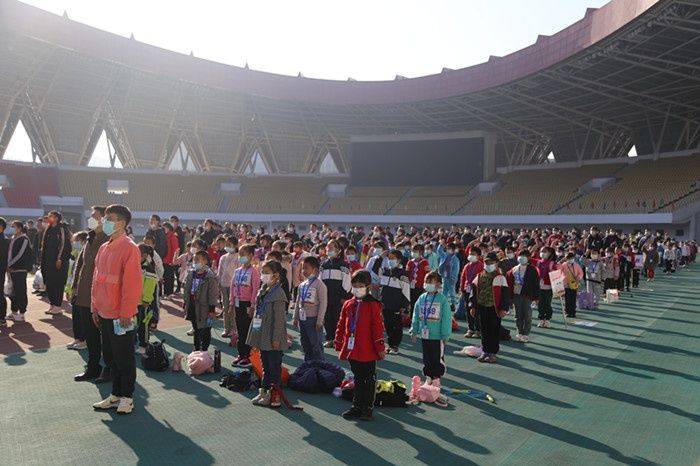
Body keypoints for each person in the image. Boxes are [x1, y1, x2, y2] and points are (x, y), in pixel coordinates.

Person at [91, 205, 143, 415]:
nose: (105, 222)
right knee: (110, 357)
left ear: (121, 223)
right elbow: (97, 279)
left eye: (109, 218)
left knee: (124, 358)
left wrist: (126, 312)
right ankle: (115, 394)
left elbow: (132, 285)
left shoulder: (130, 248)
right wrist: (95, 306)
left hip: (121, 315)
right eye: (105, 218)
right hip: (104, 312)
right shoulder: (104, 247)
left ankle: (127, 397)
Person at [334, 270, 386, 421]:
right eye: (355, 285)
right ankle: (356, 406)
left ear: (368, 287)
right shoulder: (348, 304)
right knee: (357, 378)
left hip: (368, 349)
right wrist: (338, 341)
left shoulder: (373, 305)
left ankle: (367, 407)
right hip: (353, 348)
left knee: (368, 379)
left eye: (361, 285)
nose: (357, 288)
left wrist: (380, 347)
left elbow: (377, 328)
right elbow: (341, 324)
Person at [72, 206, 111, 382]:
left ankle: (110, 369)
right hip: (84, 293)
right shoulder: (90, 236)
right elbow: (80, 264)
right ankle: (93, 366)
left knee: (107, 336)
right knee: (90, 334)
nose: (91, 219)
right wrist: (74, 287)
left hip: (101, 296)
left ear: (104, 219)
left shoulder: (108, 239)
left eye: (94, 216)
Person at [248, 260, 290, 408]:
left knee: (274, 367)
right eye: (262, 272)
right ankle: (264, 392)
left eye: (266, 272)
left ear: (276, 275)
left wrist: (277, 339)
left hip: (273, 338)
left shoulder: (278, 294)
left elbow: (279, 320)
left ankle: (275, 395)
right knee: (265, 365)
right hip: (263, 335)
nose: (263, 275)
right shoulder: (263, 290)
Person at [410, 272, 451, 386]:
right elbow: (416, 315)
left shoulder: (442, 300)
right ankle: (428, 376)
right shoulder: (422, 298)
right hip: (425, 335)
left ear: (438, 284)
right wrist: (414, 331)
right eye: (426, 281)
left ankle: (436, 377)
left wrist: (445, 335)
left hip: (437, 336)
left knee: (436, 358)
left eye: (430, 282)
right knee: (426, 357)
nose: (427, 284)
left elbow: (446, 319)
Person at [468, 252, 510, 364]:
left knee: (494, 331)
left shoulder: (500, 278)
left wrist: (504, 308)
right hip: (482, 306)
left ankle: (492, 353)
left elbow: (506, 295)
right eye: (487, 262)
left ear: (496, 263)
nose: (489, 264)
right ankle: (485, 351)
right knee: (484, 330)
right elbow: (473, 292)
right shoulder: (479, 276)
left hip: (494, 308)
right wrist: (472, 306)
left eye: (491, 262)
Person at [230, 244, 260, 367]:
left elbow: (255, 289)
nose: (241, 257)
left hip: (248, 303)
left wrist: (253, 305)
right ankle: (241, 354)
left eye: (244, 254)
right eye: (240, 254)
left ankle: (248, 356)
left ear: (251, 256)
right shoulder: (237, 271)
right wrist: (231, 304)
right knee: (240, 329)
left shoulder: (254, 272)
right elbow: (232, 287)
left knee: (247, 330)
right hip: (238, 303)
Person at [292, 256, 328, 361]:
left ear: (315, 270)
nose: (303, 271)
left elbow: (323, 303)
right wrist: (295, 317)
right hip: (303, 319)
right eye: (303, 268)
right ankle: (308, 365)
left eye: (306, 268)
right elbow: (298, 301)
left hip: (313, 320)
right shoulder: (302, 285)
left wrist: (320, 320)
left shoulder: (320, 285)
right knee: (305, 343)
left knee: (316, 345)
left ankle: (320, 366)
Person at [184, 251, 219, 352]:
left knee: (205, 329)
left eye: (198, 259)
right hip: (193, 305)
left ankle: (204, 350)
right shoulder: (191, 273)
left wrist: (212, 309)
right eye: (194, 259)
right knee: (196, 328)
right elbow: (187, 288)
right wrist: (186, 301)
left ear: (205, 261)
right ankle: (196, 348)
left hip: (204, 307)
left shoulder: (210, 276)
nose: (195, 261)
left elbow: (213, 293)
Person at [320, 239, 351, 348]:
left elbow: (347, 282)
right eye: (327, 247)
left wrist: (344, 297)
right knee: (327, 319)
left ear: (338, 250)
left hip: (339, 298)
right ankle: (329, 339)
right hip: (326, 298)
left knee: (338, 319)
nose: (329, 249)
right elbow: (320, 281)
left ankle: (339, 340)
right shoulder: (323, 264)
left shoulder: (343, 265)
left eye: (332, 247)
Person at [40, 211, 72, 315]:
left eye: (51, 216)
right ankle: (52, 304)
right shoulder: (48, 229)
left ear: (57, 218)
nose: (49, 218)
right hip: (47, 261)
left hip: (58, 262)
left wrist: (59, 258)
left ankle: (57, 305)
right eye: (48, 216)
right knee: (49, 283)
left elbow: (63, 244)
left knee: (57, 283)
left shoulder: (61, 228)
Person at [379, 249, 410, 354]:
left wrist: (404, 305)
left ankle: (395, 345)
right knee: (387, 325)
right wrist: (380, 258)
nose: (390, 260)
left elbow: (406, 290)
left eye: (393, 258)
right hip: (385, 304)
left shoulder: (403, 274)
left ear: (399, 260)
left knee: (396, 326)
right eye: (389, 258)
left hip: (397, 305)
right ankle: (390, 344)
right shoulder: (385, 271)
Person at [505, 249, 539, 343]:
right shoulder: (514, 269)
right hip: (516, 294)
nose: (521, 258)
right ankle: (519, 332)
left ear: (528, 258)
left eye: (524, 256)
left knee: (527, 315)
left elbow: (536, 284)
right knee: (518, 315)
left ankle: (526, 333)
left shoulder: (532, 269)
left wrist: (536, 297)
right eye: (520, 256)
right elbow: (509, 280)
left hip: (527, 294)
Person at [6, 221, 33, 323]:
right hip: (11, 270)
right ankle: (13, 312)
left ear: (20, 228)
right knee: (12, 291)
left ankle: (22, 313)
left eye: (14, 227)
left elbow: (20, 254)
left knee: (20, 290)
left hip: (19, 269)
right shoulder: (13, 238)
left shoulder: (24, 239)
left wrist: (10, 265)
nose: (12, 228)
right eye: (11, 226)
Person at [66, 230, 89, 350]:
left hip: (84, 290)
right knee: (75, 315)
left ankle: (84, 340)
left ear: (83, 241)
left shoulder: (88, 252)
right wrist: (69, 289)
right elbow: (71, 274)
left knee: (82, 316)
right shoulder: (75, 253)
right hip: (74, 289)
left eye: (77, 241)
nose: (75, 243)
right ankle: (77, 338)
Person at [135, 244, 159, 354]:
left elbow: (150, 287)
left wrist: (146, 300)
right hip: (132, 301)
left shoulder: (149, 269)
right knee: (133, 324)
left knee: (143, 324)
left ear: (144, 255)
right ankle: (134, 342)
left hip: (143, 302)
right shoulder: (133, 265)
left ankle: (144, 344)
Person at [217, 236, 239, 338]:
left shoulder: (238, 257)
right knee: (225, 307)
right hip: (224, 284)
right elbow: (220, 271)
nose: (227, 247)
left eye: (229, 245)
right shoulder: (223, 257)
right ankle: (226, 327)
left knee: (233, 308)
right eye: (226, 245)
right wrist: (219, 283)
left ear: (235, 245)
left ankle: (234, 328)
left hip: (234, 286)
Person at [460, 247, 484, 338]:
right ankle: (470, 329)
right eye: (470, 254)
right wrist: (462, 290)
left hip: (476, 290)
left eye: (473, 254)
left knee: (476, 310)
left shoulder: (481, 266)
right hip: (467, 290)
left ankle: (478, 330)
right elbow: (463, 278)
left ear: (478, 256)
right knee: (468, 309)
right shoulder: (467, 266)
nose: (471, 256)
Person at [536, 246, 558, 328]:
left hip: (549, 287)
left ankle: (547, 319)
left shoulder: (552, 263)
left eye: (545, 251)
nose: (542, 253)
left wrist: (552, 269)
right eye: (541, 251)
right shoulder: (539, 262)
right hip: (540, 287)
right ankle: (541, 319)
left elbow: (557, 273)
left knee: (547, 304)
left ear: (549, 253)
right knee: (540, 304)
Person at [406, 243, 430, 310]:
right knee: (412, 303)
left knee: (420, 304)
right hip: (411, 286)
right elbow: (407, 274)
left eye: (415, 251)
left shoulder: (425, 262)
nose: (413, 253)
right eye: (413, 251)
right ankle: (411, 318)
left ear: (421, 252)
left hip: (420, 287)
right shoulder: (410, 262)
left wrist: (426, 287)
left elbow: (427, 275)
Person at [437, 242, 460, 311]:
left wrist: (453, 278)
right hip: (444, 276)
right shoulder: (445, 255)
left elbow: (456, 270)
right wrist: (441, 245)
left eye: (449, 249)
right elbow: (439, 251)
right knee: (444, 291)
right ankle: (444, 304)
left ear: (453, 250)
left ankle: (453, 304)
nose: (448, 250)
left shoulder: (455, 259)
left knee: (452, 292)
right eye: (447, 248)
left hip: (451, 278)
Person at [561, 252, 583, 318]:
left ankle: (573, 312)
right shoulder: (564, 264)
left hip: (574, 284)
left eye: (571, 258)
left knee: (573, 298)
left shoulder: (576, 265)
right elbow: (558, 270)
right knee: (567, 298)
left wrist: (578, 278)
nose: (570, 259)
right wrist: (560, 262)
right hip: (566, 283)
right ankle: (567, 312)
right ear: (566, 258)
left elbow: (581, 273)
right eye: (569, 258)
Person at [161, 222, 179, 297]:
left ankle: (169, 293)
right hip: (164, 259)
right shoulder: (163, 236)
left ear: (169, 228)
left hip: (170, 260)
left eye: (165, 227)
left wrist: (174, 260)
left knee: (170, 277)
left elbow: (176, 249)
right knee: (165, 276)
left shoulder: (172, 236)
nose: (164, 228)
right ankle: (165, 292)